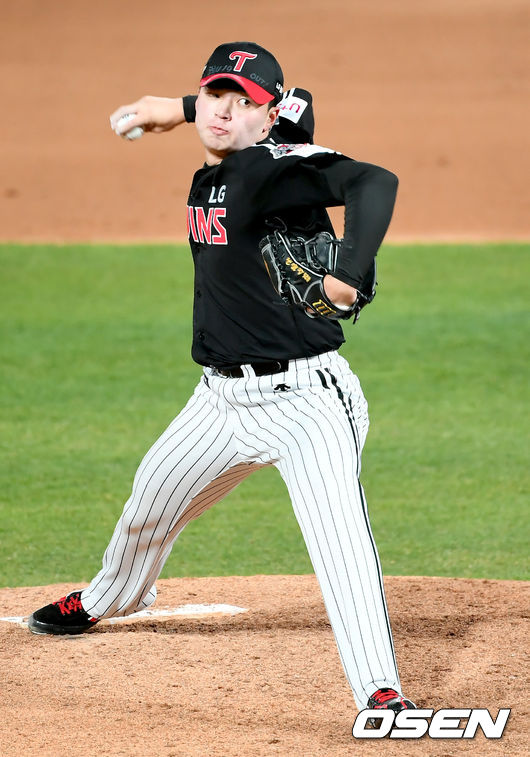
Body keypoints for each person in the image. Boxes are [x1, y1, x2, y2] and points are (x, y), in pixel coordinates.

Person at [28, 41, 415, 725]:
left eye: (243, 105)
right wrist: (174, 110)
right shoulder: (240, 141)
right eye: (214, 96)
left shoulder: (273, 171)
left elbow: (374, 181)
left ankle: (381, 689)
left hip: (305, 403)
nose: (224, 112)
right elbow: (275, 105)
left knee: (339, 541)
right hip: (218, 401)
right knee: (147, 503)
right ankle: (109, 597)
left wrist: (348, 274)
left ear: (267, 123)